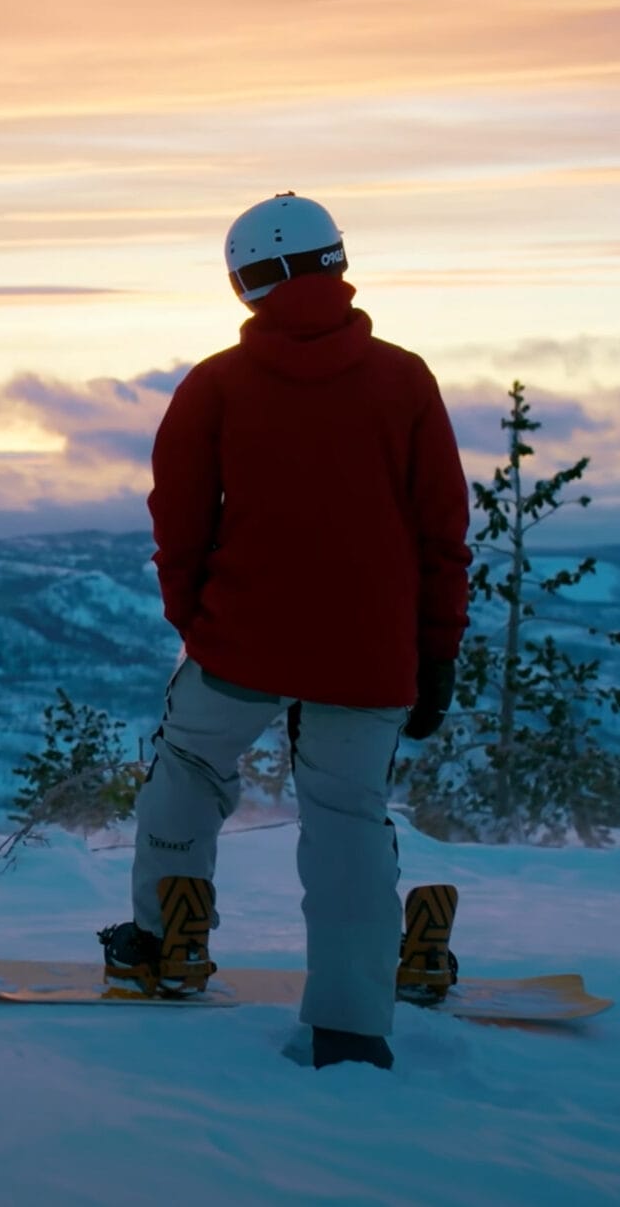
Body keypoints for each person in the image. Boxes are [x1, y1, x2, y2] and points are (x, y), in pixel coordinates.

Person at [102, 192, 470, 1070]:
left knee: (189, 769)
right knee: (347, 818)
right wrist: (436, 653)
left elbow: (178, 525)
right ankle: (349, 1021)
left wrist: (199, 622)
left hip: (241, 641)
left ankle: (166, 941)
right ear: (337, 264)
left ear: (244, 282)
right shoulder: (405, 380)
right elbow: (441, 535)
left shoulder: (215, 387)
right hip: (369, 656)